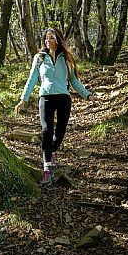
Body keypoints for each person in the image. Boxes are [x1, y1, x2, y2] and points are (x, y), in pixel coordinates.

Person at [15, 27, 96, 187]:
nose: (48, 41)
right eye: (46, 38)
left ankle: (50, 152)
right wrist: (23, 99)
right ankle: (47, 169)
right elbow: (31, 80)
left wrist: (88, 94)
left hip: (63, 98)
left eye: (51, 38)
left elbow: (74, 82)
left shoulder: (66, 58)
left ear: (58, 40)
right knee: (47, 130)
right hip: (45, 98)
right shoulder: (39, 58)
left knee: (60, 133)